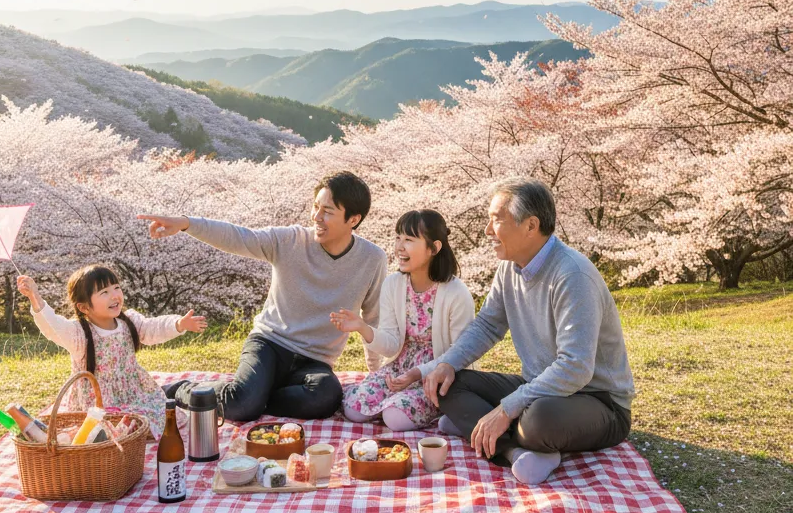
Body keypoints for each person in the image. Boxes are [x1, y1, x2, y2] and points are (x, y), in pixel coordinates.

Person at [388, 178, 634, 485]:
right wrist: (447, 364)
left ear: (531, 225)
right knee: (448, 384)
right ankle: (513, 453)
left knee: (537, 422)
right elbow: (488, 325)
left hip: (598, 401)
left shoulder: (573, 275)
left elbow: (576, 367)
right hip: (539, 387)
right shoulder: (510, 266)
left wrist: (507, 408)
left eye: (496, 220)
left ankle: (481, 426)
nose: (488, 231)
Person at [138, 171, 388, 422]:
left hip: (315, 362)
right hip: (269, 344)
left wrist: (376, 378)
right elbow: (240, 237)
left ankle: (253, 396)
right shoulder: (290, 240)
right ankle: (183, 389)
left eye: (328, 211)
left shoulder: (372, 259)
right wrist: (185, 223)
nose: (317, 217)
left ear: (353, 219)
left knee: (326, 398)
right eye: (315, 207)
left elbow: (373, 320)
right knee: (242, 406)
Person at [16, 265, 206, 439]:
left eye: (116, 288)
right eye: (104, 292)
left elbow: (153, 328)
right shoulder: (79, 333)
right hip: (98, 402)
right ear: (84, 307)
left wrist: (179, 324)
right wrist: (35, 297)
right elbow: (53, 326)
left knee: (164, 416)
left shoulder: (129, 322)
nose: (115, 296)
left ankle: (134, 432)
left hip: (135, 392)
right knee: (103, 429)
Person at [330, 209, 475, 431]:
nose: (399, 247)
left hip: (435, 376)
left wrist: (417, 374)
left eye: (408, 239)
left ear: (434, 248)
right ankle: (390, 403)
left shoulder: (456, 292)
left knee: (395, 418)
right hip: (399, 369)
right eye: (398, 237)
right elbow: (391, 345)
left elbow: (461, 354)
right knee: (354, 409)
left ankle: (423, 408)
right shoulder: (393, 285)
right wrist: (363, 328)